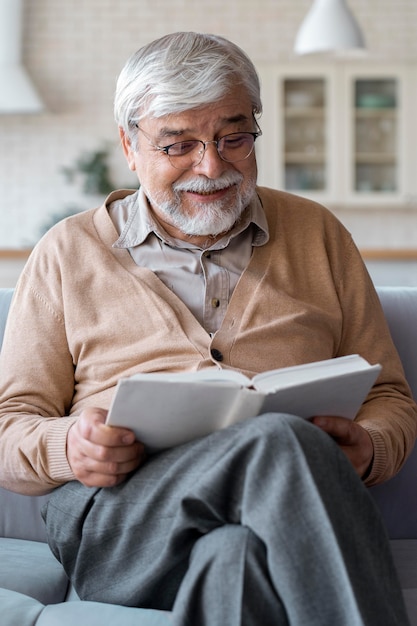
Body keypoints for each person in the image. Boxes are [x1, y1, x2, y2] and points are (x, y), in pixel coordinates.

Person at [0, 31, 415, 626]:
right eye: (179, 145)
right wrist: (69, 448)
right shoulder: (67, 252)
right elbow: (10, 424)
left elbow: (390, 397)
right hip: (125, 523)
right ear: (130, 144)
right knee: (279, 441)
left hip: (277, 517)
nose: (212, 166)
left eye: (234, 138)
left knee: (235, 559)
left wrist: (370, 445)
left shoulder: (319, 235)